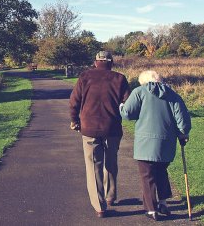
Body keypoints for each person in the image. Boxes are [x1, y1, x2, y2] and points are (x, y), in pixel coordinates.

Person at [119, 70, 191, 221]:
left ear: (143, 81)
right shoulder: (172, 94)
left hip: (145, 143)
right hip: (166, 143)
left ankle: (151, 209)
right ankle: (163, 203)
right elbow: (182, 120)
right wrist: (183, 134)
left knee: (147, 176)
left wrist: (121, 106)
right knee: (161, 171)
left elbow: (127, 113)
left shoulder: (139, 92)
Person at [69, 51, 130, 218]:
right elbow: (127, 103)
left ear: (96, 62)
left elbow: (74, 101)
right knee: (111, 162)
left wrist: (74, 120)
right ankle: (110, 196)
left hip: (89, 128)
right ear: (111, 63)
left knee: (93, 166)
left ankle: (100, 206)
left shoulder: (84, 77)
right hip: (112, 128)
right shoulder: (120, 78)